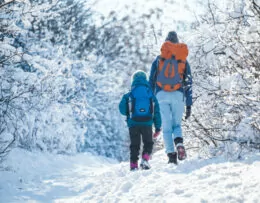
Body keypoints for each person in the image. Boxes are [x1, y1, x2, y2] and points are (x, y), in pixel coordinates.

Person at [149, 31, 192, 164]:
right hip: (178, 94)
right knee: (176, 125)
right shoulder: (183, 60)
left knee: (167, 128)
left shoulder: (158, 60)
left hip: (161, 95)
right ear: (177, 43)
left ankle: (171, 156)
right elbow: (189, 82)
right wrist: (189, 104)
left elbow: (151, 81)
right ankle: (179, 143)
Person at [119, 70, 162, 171]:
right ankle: (145, 160)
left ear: (133, 80)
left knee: (135, 145)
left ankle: (133, 165)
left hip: (133, 124)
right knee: (148, 143)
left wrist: (129, 113)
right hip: (147, 123)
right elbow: (156, 112)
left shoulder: (128, 95)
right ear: (145, 80)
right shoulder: (151, 95)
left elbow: (122, 110)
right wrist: (158, 127)